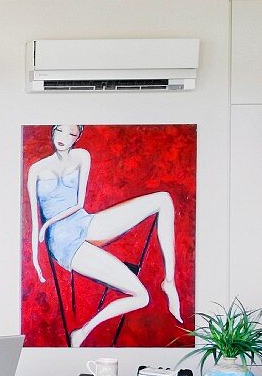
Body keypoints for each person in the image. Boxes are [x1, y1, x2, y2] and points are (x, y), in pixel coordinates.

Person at [27, 124, 181, 348]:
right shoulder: (37, 169)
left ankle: (169, 282)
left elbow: (79, 203)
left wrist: (47, 224)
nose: (63, 138)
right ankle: (82, 333)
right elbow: (33, 221)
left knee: (163, 199)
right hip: (62, 240)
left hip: (83, 221)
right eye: (59, 131)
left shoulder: (82, 156)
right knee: (142, 296)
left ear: (78, 137)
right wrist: (35, 259)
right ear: (52, 131)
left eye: (71, 134)